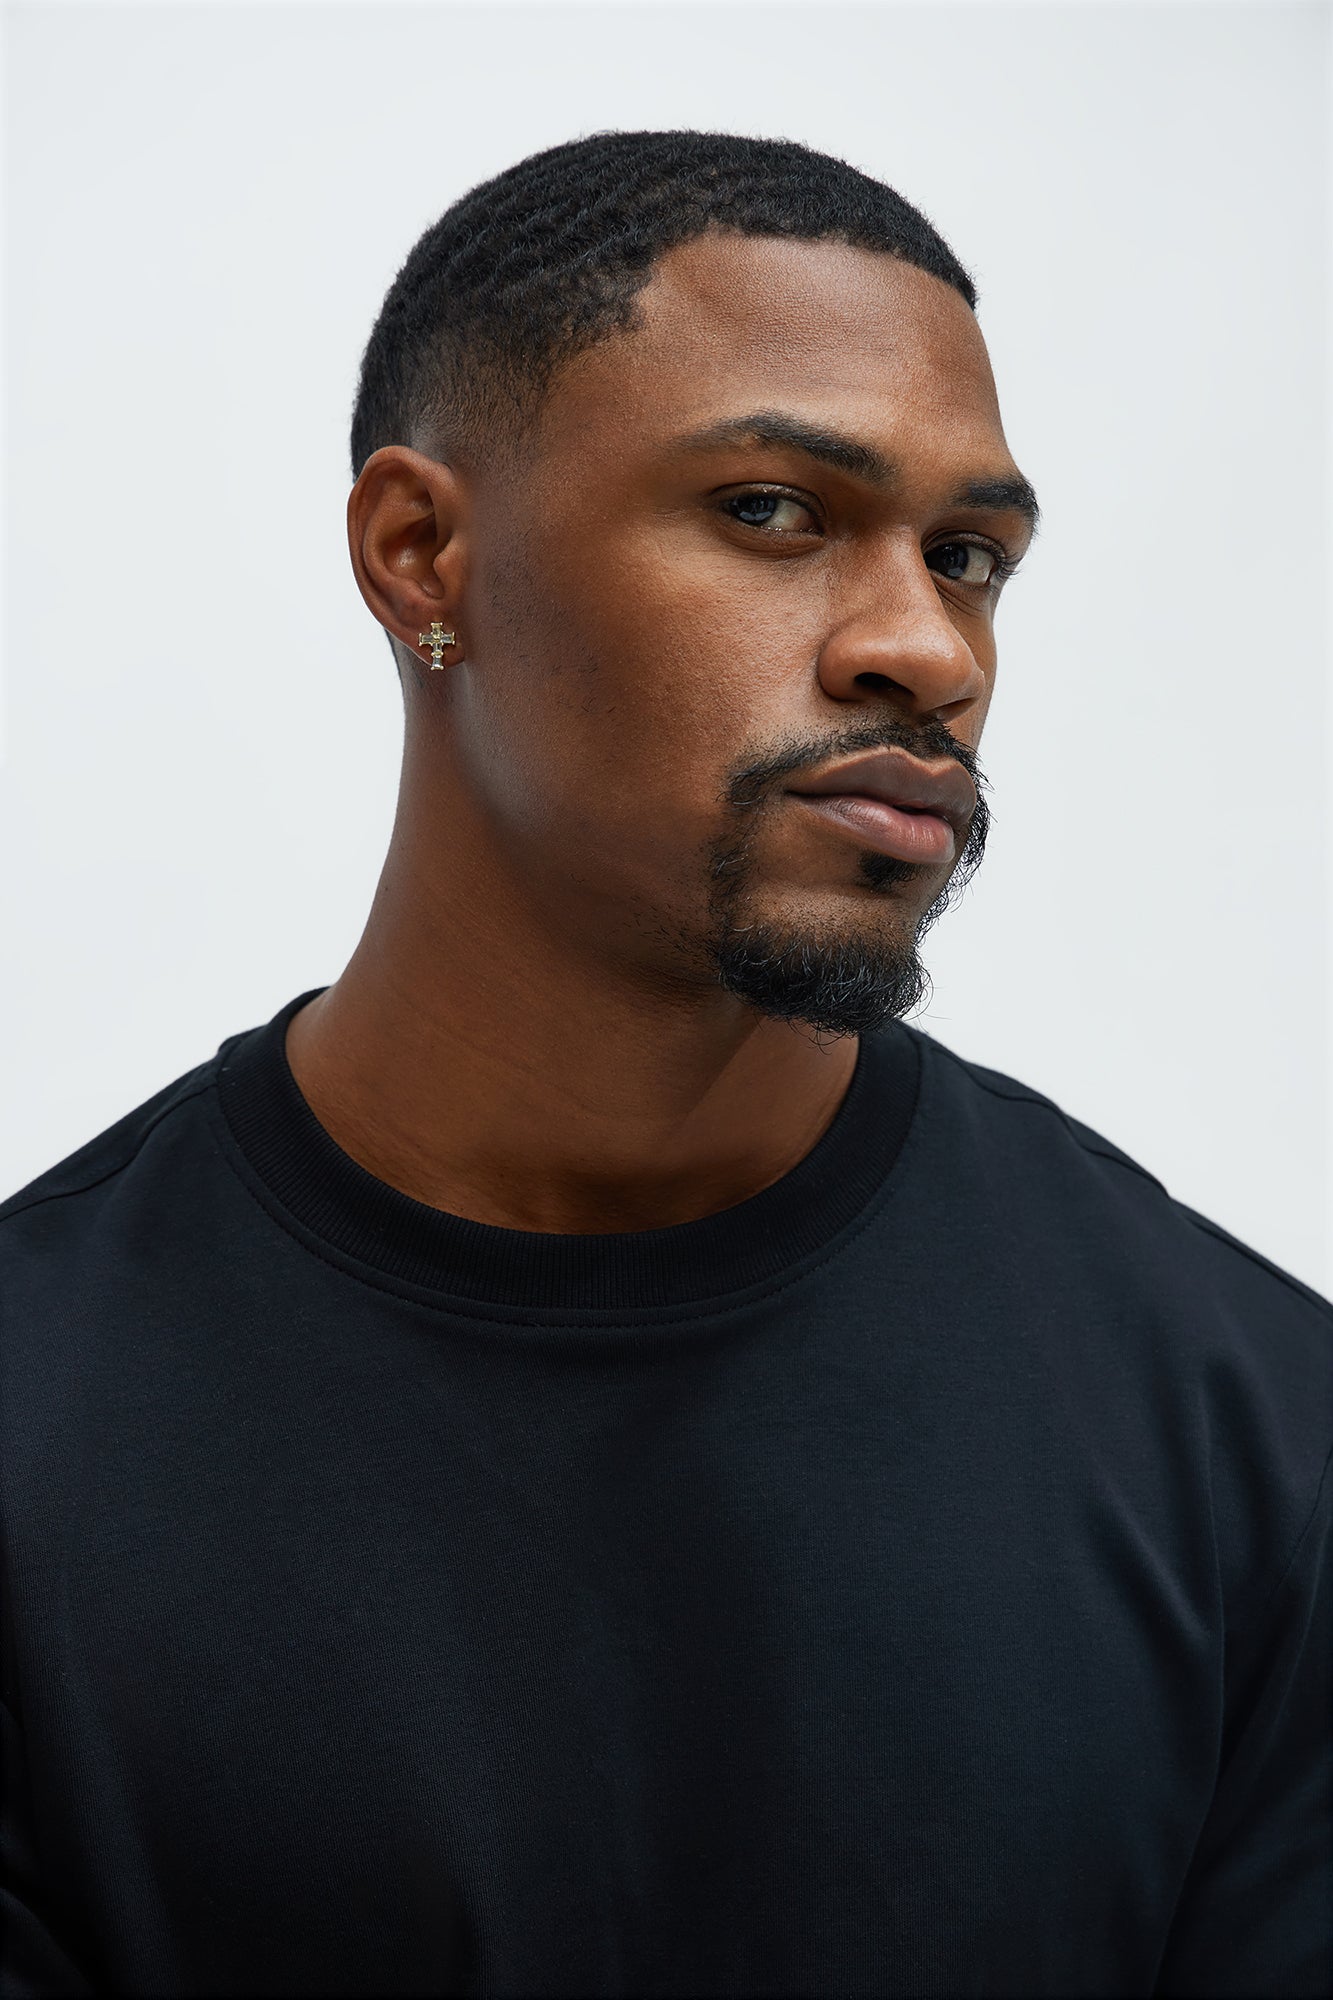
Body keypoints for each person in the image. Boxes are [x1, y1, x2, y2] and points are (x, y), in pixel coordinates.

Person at [1, 130, 1328, 2000]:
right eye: (773, 511)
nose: (924, 649)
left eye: (967, 558)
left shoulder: (1255, 1439)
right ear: (420, 553)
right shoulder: (39, 1443)